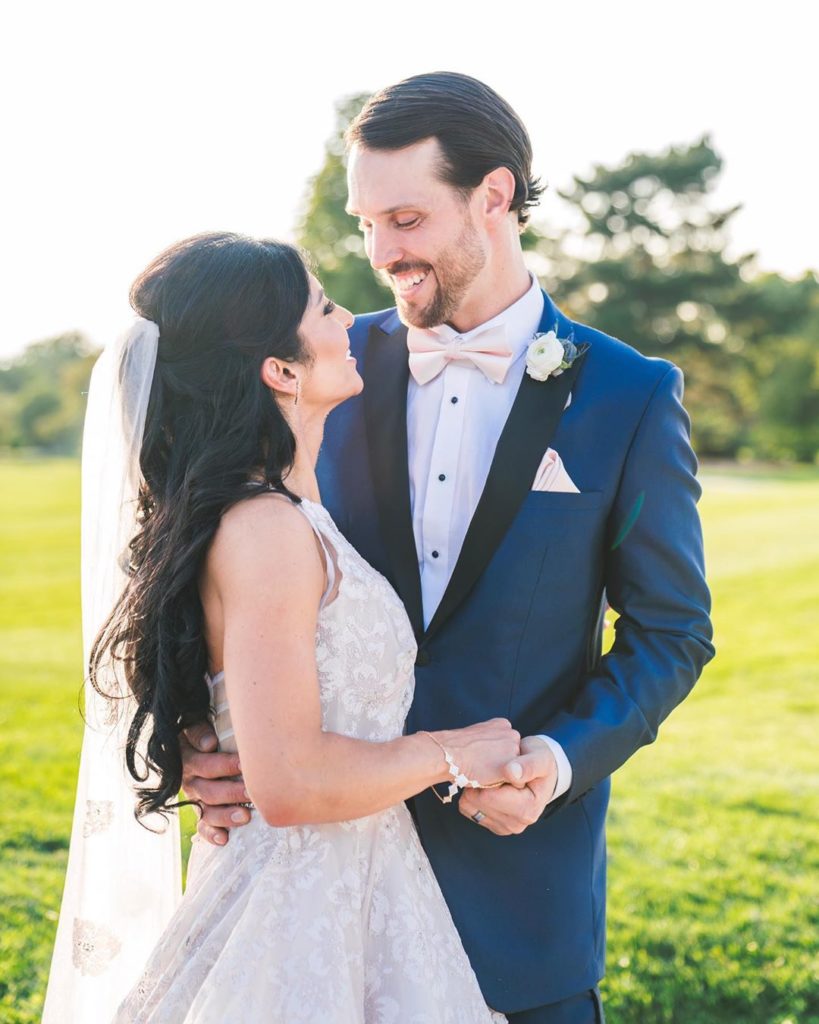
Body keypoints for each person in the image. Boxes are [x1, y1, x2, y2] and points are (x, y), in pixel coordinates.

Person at [185, 74, 715, 1023]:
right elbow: (206, 564)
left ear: (494, 195)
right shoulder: (323, 368)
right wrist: (202, 734)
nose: (382, 254)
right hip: (312, 905)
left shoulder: (628, 396)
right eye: (365, 225)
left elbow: (670, 633)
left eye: (405, 218)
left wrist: (553, 761)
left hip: (517, 898)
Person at [44, 232, 517, 1022]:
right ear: (282, 370)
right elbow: (290, 782)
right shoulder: (265, 528)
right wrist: (453, 754)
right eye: (325, 306)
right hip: (290, 916)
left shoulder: (286, 514)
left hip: (360, 889)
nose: (347, 320)